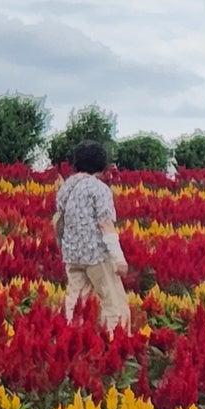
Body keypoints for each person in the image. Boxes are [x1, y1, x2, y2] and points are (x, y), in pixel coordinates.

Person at [52, 140, 131, 332]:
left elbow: (59, 218)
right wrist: (119, 258)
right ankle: (117, 341)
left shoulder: (66, 187)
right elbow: (105, 224)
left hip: (73, 255)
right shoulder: (99, 188)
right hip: (96, 256)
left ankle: (69, 337)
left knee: (76, 303)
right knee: (114, 303)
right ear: (101, 164)